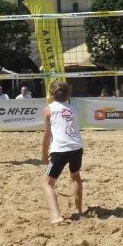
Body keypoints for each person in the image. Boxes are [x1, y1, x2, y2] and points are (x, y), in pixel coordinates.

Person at [41, 80, 84, 224]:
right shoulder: (74, 109)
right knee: (76, 176)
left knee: (47, 183)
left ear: (51, 94)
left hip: (60, 149)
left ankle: (56, 216)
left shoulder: (48, 109)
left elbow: (47, 135)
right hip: (77, 147)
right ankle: (79, 212)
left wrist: (43, 154)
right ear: (68, 95)